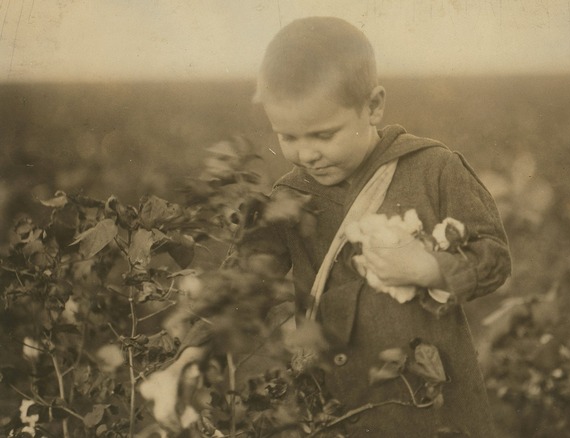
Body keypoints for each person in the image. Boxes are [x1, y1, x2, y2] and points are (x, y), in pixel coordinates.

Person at [164, 16, 511, 437]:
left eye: (324, 135)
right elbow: (244, 285)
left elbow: (493, 256)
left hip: (427, 405)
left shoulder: (433, 169)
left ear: (374, 105)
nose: (306, 153)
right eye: (288, 137)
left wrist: (431, 269)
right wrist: (196, 351)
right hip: (332, 405)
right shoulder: (288, 198)